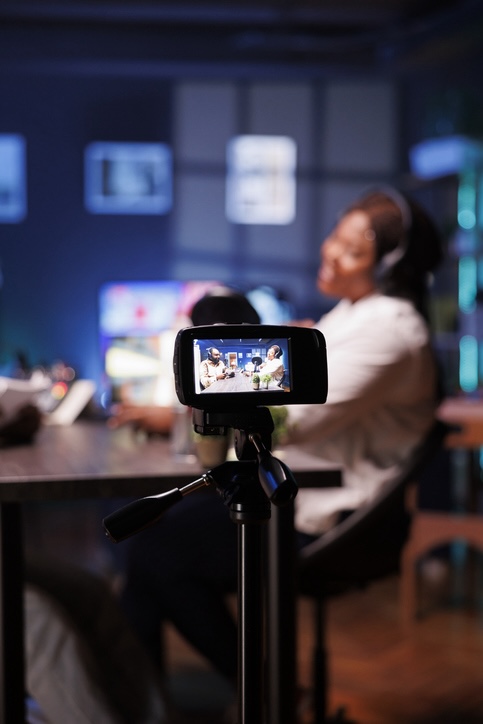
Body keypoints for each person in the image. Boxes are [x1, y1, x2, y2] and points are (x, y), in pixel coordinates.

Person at [114, 189, 444, 690]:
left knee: (154, 553)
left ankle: (264, 691)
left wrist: (189, 409)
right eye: (336, 236)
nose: (331, 252)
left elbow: (294, 419)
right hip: (294, 491)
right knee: (149, 548)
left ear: (392, 267)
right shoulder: (354, 315)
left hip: (327, 515)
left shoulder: (390, 331)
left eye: (353, 249)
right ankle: (144, 704)